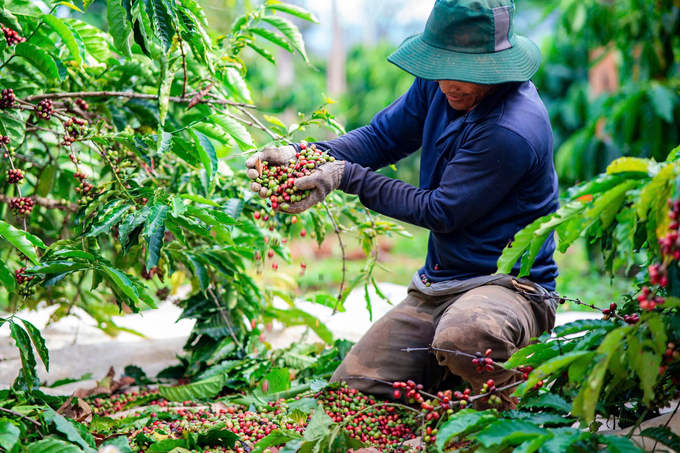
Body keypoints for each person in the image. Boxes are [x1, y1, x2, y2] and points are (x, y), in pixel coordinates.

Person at [245, 0, 559, 409]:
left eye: (463, 72)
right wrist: (307, 155)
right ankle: (452, 383)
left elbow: (440, 211)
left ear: (495, 67)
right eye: (439, 67)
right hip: (440, 287)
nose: (448, 83)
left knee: (466, 340)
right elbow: (381, 138)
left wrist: (345, 177)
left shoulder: (511, 128)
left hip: (509, 289)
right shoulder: (439, 83)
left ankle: (524, 405)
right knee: (346, 402)